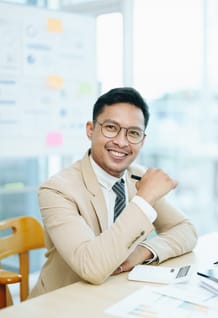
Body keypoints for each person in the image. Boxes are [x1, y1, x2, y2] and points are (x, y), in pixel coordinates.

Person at [30, 87, 197, 297]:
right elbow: (91, 267)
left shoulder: (136, 176)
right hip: (63, 302)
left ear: (143, 141)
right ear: (90, 130)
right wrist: (144, 200)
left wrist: (141, 252)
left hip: (117, 294)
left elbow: (186, 230)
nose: (121, 142)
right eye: (111, 128)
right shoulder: (56, 189)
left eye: (133, 133)